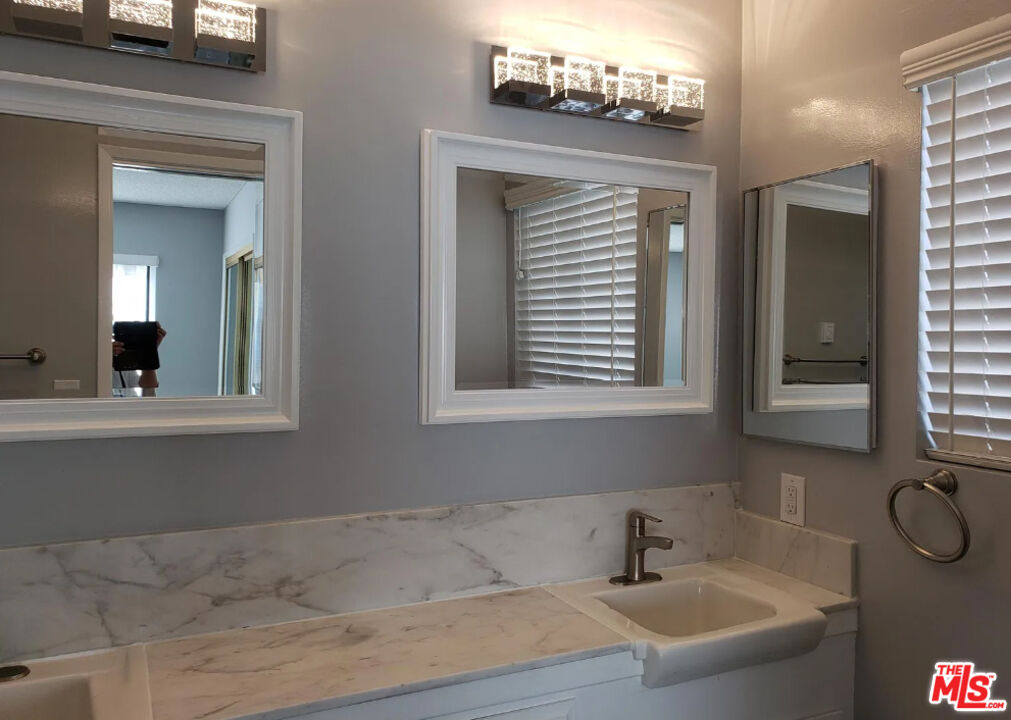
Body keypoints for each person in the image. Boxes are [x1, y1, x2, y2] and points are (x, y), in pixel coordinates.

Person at [112, 322, 166, 398]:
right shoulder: (96, 365)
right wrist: (106, 357)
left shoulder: (124, 363)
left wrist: (150, 351)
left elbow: (148, 396)